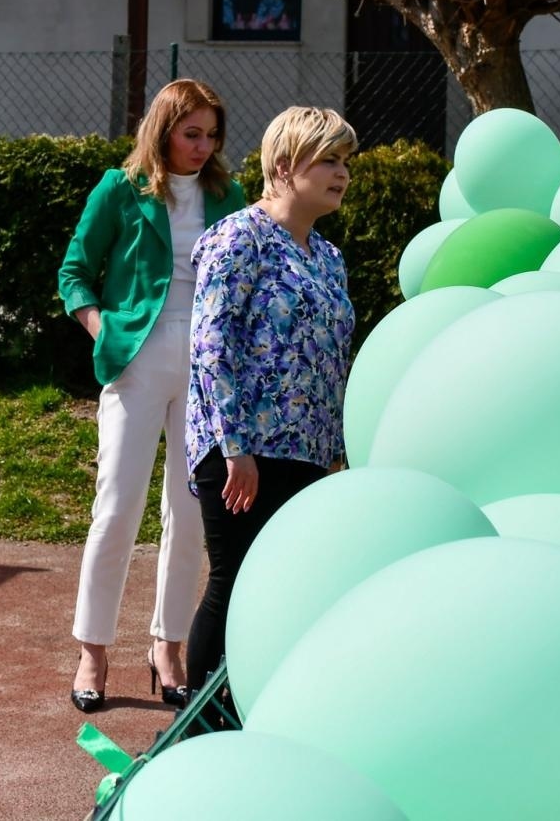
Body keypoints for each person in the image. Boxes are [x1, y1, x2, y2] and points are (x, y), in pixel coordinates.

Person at [57, 79, 247, 712]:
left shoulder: (230, 195)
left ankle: (166, 646)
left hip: (206, 368)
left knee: (188, 513)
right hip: (136, 357)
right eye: (191, 132)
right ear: (163, 128)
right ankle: (93, 652)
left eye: (211, 134)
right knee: (115, 508)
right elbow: (74, 270)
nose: (203, 145)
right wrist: (100, 326)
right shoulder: (120, 188)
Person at [183, 105, 357, 694]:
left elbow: (334, 361)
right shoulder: (238, 238)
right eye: (328, 159)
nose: (342, 173)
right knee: (233, 584)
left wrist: (336, 452)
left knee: (287, 594)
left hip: (308, 454)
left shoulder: (330, 258)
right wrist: (235, 447)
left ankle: (254, 713)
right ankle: (199, 730)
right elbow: (211, 347)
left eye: (345, 161)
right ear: (283, 166)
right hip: (242, 457)